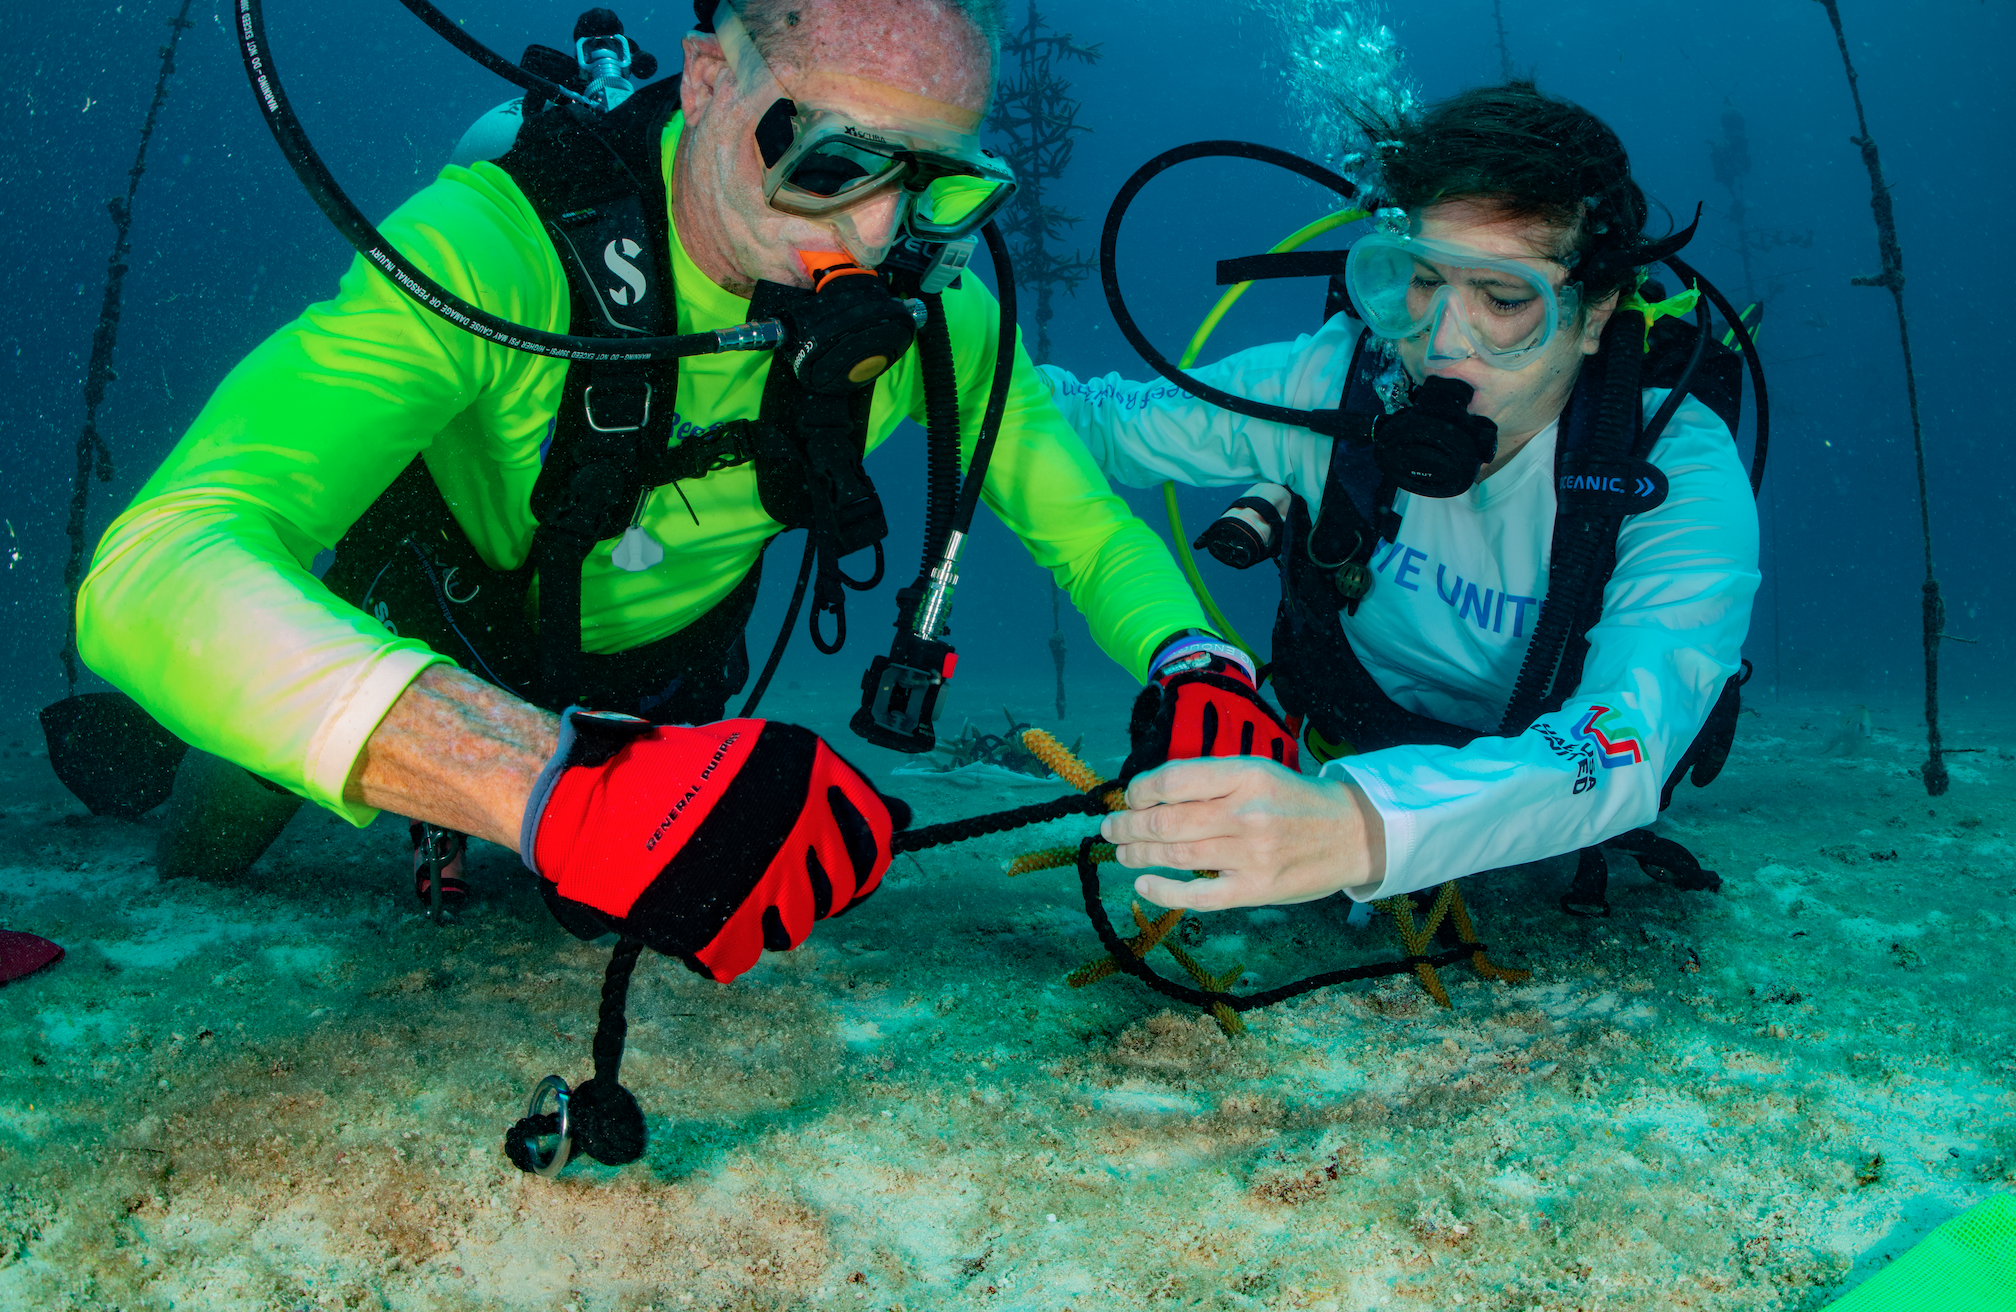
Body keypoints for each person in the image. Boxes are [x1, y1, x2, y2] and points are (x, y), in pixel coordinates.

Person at [74, 0, 1288, 982]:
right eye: (835, 160)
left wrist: (1199, 660)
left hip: (669, 691)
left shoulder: (939, 317)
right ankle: (163, 758)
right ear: (709, 81)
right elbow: (152, 568)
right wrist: (537, 780)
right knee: (202, 866)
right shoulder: (492, 250)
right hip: (426, 635)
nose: (874, 231)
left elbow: (1081, 527)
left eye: (934, 182)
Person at [1043, 82, 1760, 916]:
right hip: (1349, 730)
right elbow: (1098, 424)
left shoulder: (1669, 461)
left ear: (1594, 312)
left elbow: (1626, 738)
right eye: (1420, 282)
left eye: (1504, 300)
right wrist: (938, 335)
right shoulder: (1335, 381)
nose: (1444, 342)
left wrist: (1352, 830)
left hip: (1537, 790)